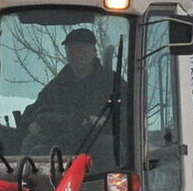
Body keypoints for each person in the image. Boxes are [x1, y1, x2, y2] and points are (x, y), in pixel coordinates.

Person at [19, 27, 121, 161]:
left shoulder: (111, 82)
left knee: (109, 145)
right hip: (59, 141)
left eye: (81, 50)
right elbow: (35, 109)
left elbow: (127, 114)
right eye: (70, 51)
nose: (75, 55)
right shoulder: (59, 84)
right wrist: (31, 123)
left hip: (93, 142)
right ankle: (23, 178)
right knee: (30, 141)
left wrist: (102, 122)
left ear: (94, 52)